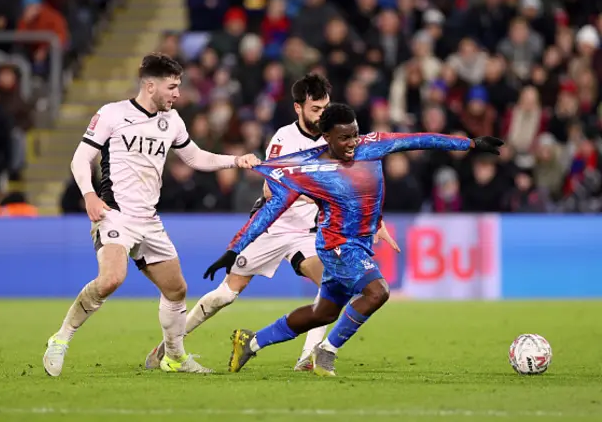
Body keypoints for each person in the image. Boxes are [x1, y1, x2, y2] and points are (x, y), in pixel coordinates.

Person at [204, 103, 503, 376]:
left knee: (323, 312)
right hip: (336, 245)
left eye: (355, 135)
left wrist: (471, 144)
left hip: (359, 243)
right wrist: (234, 250)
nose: (352, 143)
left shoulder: (372, 145)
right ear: (326, 137)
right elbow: (270, 212)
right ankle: (326, 352)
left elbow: (420, 139)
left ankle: (251, 343)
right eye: (344, 138)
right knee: (378, 292)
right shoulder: (305, 170)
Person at [146, 74, 394, 372]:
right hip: (274, 228)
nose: (322, 115)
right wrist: (318, 196)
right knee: (223, 296)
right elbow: (268, 190)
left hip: (308, 234)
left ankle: (308, 356)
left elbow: (358, 187)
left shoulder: (339, 139)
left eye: (325, 107)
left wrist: (372, 220)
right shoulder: (284, 139)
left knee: (331, 287)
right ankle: (169, 345)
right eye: (315, 109)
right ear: (298, 108)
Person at [42, 53, 260, 377]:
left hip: (148, 221)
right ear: (150, 85)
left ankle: (173, 357)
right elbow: (80, 159)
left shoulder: (172, 121)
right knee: (112, 279)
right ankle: (60, 339)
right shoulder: (112, 114)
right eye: (172, 87)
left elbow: (195, 157)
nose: (177, 94)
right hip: (114, 214)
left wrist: (235, 160)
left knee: (176, 289)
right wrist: (88, 194)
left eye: (178, 87)